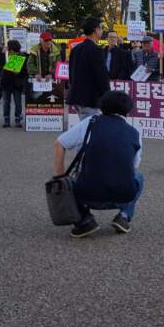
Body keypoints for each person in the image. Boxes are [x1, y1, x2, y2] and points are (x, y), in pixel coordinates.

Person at [53, 90, 144, 238]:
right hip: (122, 196)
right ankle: (124, 216)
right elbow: (132, 169)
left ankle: (84, 220)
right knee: (139, 178)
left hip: (87, 194)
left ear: (102, 106)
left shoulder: (90, 122)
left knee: (69, 181)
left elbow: (59, 144)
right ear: (128, 110)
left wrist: (60, 178)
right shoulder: (135, 133)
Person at [68, 17, 111, 120]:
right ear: (95, 30)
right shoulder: (96, 50)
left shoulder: (76, 49)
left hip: (77, 97)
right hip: (90, 99)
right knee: (90, 130)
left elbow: (71, 74)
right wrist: (108, 96)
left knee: (84, 128)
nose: (102, 30)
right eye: (101, 28)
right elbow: (102, 76)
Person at [0, 40, 27, 128]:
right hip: (6, 83)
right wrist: (2, 54)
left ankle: (18, 119)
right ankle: (6, 120)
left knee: (18, 103)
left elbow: (25, 71)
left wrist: (18, 73)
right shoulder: (5, 56)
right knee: (6, 102)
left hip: (16, 84)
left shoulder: (22, 57)